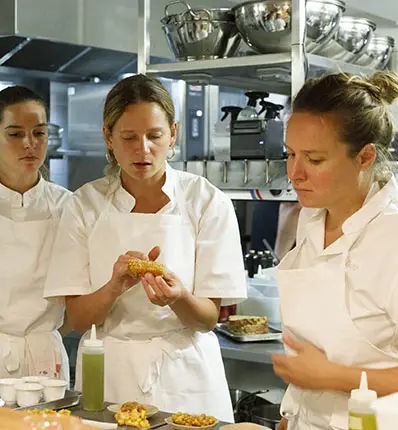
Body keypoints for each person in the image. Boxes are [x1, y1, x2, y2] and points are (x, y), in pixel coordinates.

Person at [271, 72, 398, 430]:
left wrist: (334, 376)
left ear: (365, 157)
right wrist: (297, 412)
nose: (295, 173)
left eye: (315, 160)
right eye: (290, 154)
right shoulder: (312, 219)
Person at [43, 74, 247, 421]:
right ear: (108, 137)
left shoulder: (206, 201)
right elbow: (77, 320)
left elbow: (209, 318)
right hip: (111, 372)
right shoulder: (84, 205)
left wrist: (179, 298)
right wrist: (114, 287)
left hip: (187, 371)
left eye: (154, 136)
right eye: (128, 137)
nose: (143, 149)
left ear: (173, 135)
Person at [0, 86, 72, 382]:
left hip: (46, 357)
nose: (30, 144)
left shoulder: (67, 206)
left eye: (39, 133)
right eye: (15, 134)